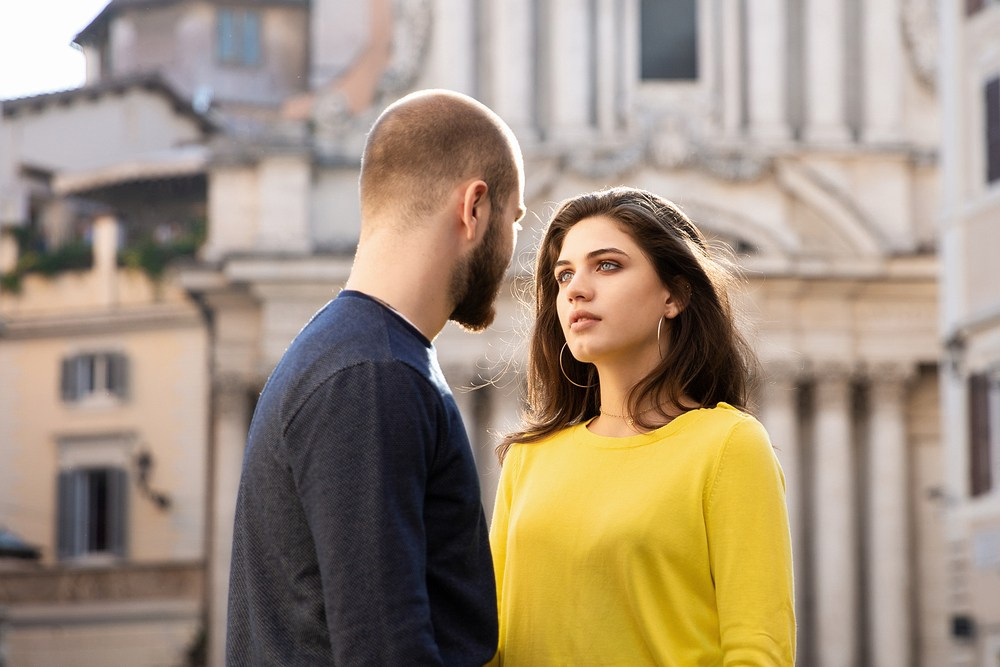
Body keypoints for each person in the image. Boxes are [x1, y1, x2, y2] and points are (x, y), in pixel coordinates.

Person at [226, 89, 526, 666]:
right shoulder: (373, 375)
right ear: (474, 208)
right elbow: (387, 648)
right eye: (513, 221)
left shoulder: (353, 355)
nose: (514, 248)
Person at [489, 187, 795, 665]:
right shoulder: (529, 458)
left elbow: (757, 649)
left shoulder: (728, 446)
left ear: (674, 295)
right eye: (563, 274)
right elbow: (492, 642)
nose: (575, 289)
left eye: (607, 265)